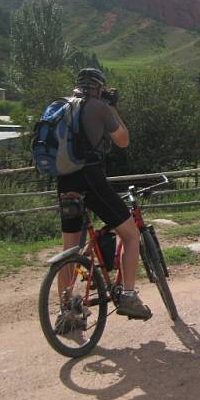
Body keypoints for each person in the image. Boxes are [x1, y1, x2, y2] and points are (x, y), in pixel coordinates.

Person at [57, 67, 152, 323]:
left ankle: (65, 311)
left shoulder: (62, 105)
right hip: (91, 178)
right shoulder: (99, 107)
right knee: (131, 235)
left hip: (65, 180)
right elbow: (123, 140)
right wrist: (112, 107)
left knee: (69, 249)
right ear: (99, 87)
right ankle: (129, 296)